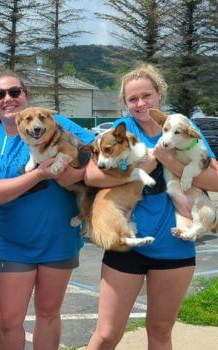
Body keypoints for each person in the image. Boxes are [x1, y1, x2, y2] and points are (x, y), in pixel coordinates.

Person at [85, 64, 218, 350]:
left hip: (174, 246)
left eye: (147, 95)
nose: (140, 103)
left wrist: (166, 159)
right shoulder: (121, 132)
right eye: (132, 99)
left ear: (160, 94)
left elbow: (216, 179)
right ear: (125, 103)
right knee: (107, 334)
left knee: (159, 331)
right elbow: (91, 175)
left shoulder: (182, 128)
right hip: (128, 248)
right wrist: (143, 163)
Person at [0, 71, 94, 350]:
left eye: (15, 92)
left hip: (60, 239)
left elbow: (98, 149)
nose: (8, 99)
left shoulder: (55, 122)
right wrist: (39, 174)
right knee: (9, 320)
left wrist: (77, 174)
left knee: (49, 315)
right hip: (14, 243)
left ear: (26, 96)